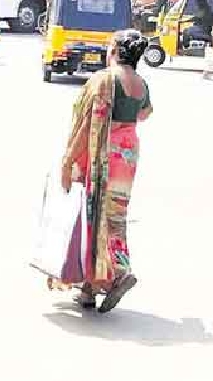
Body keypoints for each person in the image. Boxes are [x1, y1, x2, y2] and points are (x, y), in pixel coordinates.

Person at [56, 29, 153, 313]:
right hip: (128, 153)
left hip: (104, 152)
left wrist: (68, 160)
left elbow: (89, 124)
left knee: (92, 215)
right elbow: (145, 113)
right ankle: (90, 287)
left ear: (116, 50)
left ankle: (117, 274)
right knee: (114, 215)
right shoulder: (141, 83)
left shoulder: (104, 79)